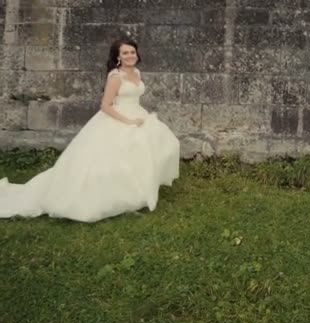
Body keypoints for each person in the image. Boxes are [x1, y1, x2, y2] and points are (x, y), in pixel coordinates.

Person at [0, 39, 180, 222]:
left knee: (158, 148)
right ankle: (108, 196)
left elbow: (133, 97)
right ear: (118, 57)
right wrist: (128, 121)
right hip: (118, 117)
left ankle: (138, 191)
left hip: (137, 114)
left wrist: (140, 117)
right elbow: (105, 106)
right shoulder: (116, 77)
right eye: (125, 53)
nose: (130, 56)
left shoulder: (136, 72)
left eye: (132, 52)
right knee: (111, 159)